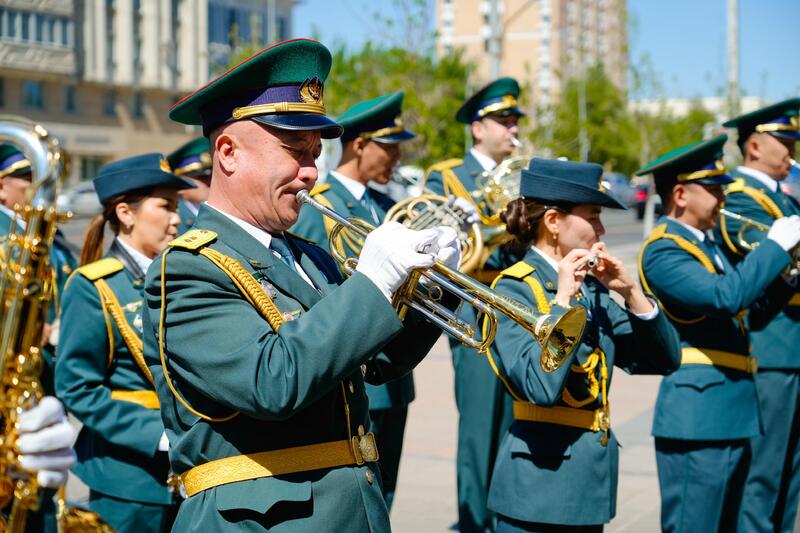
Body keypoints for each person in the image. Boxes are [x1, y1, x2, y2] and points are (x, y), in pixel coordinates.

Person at [140, 38, 460, 531]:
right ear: (228, 153)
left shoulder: (308, 255)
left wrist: (434, 289)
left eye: (315, 153)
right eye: (295, 151)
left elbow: (375, 362)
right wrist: (373, 281)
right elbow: (273, 381)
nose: (311, 173)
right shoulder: (187, 269)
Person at [482, 158, 680, 531]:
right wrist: (563, 305)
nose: (602, 229)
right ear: (554, 221)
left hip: (591, 484)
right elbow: (538, 387)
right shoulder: (513, 287)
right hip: (537, 486)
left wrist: (632, 293)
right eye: (594, 216)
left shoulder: (594, 289)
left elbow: (665, 360)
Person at [637, 134, 800, 532]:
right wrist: (775, 246)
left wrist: (786, 278)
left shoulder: (708, 247)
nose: (722, 197)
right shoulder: (664, 249)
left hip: (732, 410)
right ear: (680, 194)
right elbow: (725, 298)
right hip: (699, 416)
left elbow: (751, 314)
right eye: (712, 188)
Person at [55, 153, 194, 532]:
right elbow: (76, 387)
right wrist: (158, 435)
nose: (177, 219)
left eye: (177, 207)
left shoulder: (181, 277)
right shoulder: (94, 285)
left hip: (196, 472)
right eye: (165, 206)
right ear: (126, 213)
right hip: (127, 480)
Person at [292, 91, 416, 510]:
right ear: (360, 145)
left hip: (395, 369)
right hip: (353, 369)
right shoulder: (318, 205)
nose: (397, 158)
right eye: (390, 147)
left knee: (388, 496)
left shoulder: (391, 206)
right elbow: (315, 292)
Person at [424, 77, 524, 533]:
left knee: (517, 425)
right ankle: (474, 522)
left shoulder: (523, 177)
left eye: (515, 121)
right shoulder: (447, 177)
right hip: (475, 309)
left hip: (519, 306)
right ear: (477, 127)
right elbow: (444, 245)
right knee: (480, 430)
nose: (513, 130)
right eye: (504, 121)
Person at [715, 98, 800, 533]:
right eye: (784, 141)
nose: (792, 151)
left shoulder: (781, 197)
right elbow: (775, 269)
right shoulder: (742, 198)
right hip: (772, 345)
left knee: (790, 475)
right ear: (754, 147)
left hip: (791, 347)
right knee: (764, 475)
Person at [0, 143, 78, 389]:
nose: (41, 186)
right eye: (29, 178)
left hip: (53, 364)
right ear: (1, 187)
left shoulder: (48, 232)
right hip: (13, 366)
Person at [167, 137, 213, 233]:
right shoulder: (172, 217)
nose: (210, 183)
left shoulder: (215, 214)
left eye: (213, 177)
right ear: (180, 183)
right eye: (202, 178)